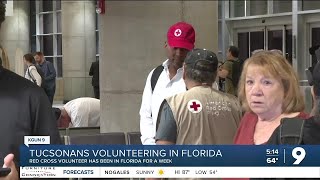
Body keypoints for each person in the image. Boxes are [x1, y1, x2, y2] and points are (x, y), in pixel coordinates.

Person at [155, 48, 242, 146]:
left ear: (184, 71)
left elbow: (163, 152)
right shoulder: (236, 104)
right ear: (215, 74)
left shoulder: (174, 104)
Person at [234, 51, 309, 146]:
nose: (255, 91)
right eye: (250, 82)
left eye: (266, 82)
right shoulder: (248, 119)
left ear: (286, 88)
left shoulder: (306, 127)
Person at [139, 22, 195, 145]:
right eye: (175, 47)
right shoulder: (155, 75)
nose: (179, 53)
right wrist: (150, 146)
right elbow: (146, 113)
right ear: (166, 45)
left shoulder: (197, 79)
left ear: (192, 49)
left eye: (184, 49)